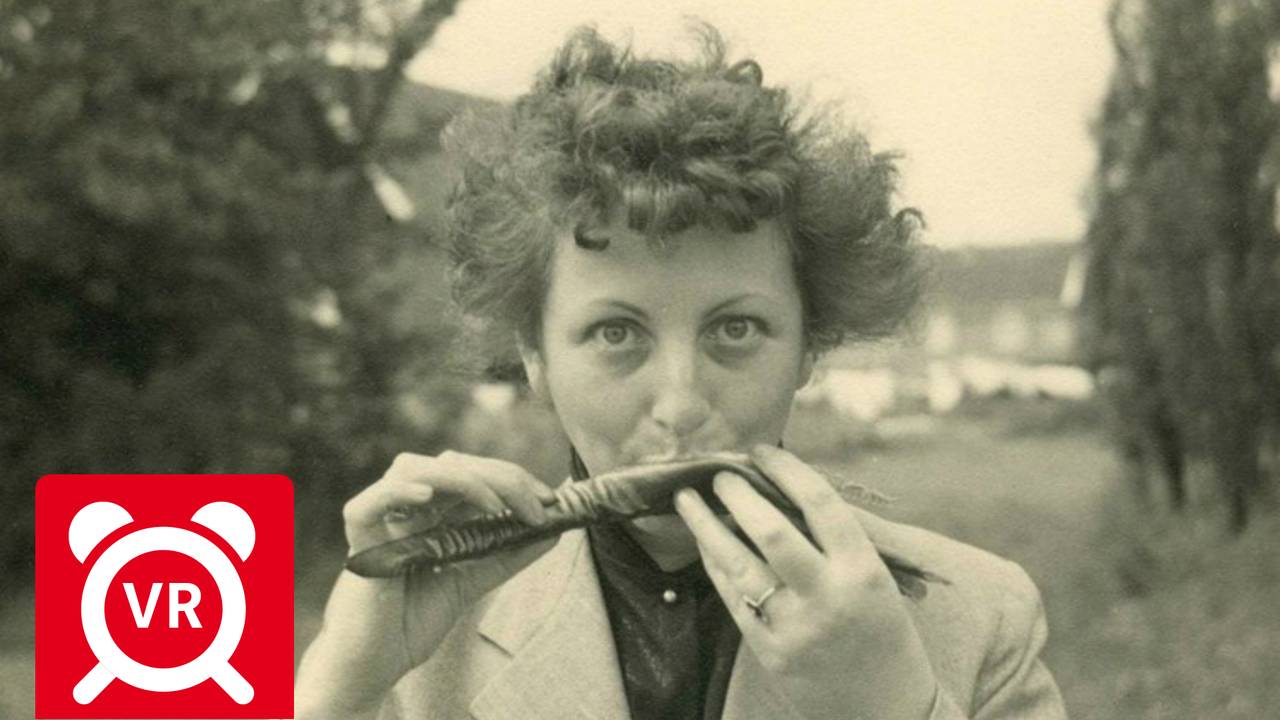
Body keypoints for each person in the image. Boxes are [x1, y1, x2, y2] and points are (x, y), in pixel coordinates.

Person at [295, 25, 1068, 720]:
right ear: (534, 356)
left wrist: (892, 708)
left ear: (809, 346)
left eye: (736, 330)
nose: (681, 403)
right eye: (615, 334)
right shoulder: (417, 643)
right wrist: (336, 689)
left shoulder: (980, 619)